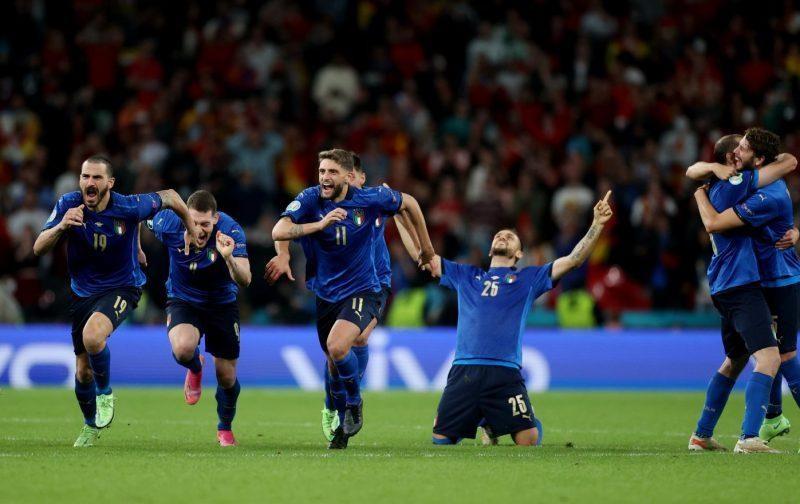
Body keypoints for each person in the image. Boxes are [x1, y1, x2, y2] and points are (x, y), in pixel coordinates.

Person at [271, 148, 435, 449]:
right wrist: (306, 236)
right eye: (322, 172)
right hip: (325, 292)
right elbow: (279, 229)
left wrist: (426, 251)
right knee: (334, 359)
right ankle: (332, 405)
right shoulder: (311, 199)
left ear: (351, 176)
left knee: (344, 343)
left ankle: (353, 404)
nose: (325, 177)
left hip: (367, 287)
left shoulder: (370, 199)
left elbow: (407, 205)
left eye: (332, 172)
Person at [33, 155, 199, 447]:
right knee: (82, 370)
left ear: (110, 183)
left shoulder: (129, 205)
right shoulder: (68, 205)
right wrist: (61, 227)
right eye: (85, 177)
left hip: (124, 286)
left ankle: (105, 392)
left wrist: (188, 225)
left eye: (97, 177)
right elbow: (38, 248)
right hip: (82, 292)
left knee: (93, 336)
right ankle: (89, 425)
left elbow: (172, 196)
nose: (89, 183)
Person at [425, 192, 613, 446]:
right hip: (465, 370)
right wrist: (400, 213)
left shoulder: (528, 279)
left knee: (528, 439)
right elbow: (425, 257)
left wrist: (596, 224)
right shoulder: (466, 275)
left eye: (510, 237)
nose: (503, 236)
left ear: (518, 253)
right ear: (490, 248)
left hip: (504, 372)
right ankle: (488, 421)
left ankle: (500, 424)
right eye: (499, 235)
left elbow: (574, 260)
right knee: (441, 442)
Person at [685, 128, 796, 453]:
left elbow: (693, 172)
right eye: (738, 149)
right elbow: (787, 162)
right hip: (741, 286)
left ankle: (701, 435)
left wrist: (701, 185)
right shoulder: (738, 185)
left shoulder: (718, 186)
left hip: (723, 283)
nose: (741, 152)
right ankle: (749, 438)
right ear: (729, 160)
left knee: (734, 361)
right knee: (770, 358)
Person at [142, 190, 251, 446]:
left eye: (205, 224)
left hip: (222, 304)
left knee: (226, 376)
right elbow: (134, 213)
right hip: (184, 300)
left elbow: (245, 279)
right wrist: (136, 249)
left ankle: (224, 427)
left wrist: (228, 258)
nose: (199, 230)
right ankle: (195, 366)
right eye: (193, 222)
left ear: (215, 219)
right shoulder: (168, 222)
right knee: (182, 349)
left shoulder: (231, 230)